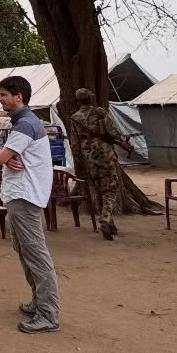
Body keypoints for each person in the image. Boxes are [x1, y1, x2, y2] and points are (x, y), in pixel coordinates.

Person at [0, 75, 60, 333]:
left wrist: (3, 155)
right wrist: (5, 155)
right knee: (25, 252)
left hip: (25, 197)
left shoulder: (25, 125)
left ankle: (48, 314)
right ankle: (39, 303)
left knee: (35, 255)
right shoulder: (23, 124)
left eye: (3, 95)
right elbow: (3, 155)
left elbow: (0, 156)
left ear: (18, 96)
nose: (0, 100)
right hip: (21, 196)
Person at [69, 88, 133, 242]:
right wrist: (122, 142)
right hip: (106, 155)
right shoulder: (99, 112)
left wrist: (79, 161)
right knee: (110, 189)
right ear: (90, 99)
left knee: (97, 189)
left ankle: (110, 224)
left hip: (89, 157)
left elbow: (75, 144)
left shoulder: (75, 118)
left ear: (78, 101)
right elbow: (111, 132)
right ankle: (105, 219)